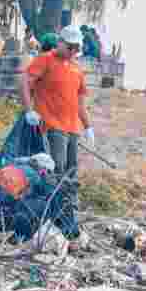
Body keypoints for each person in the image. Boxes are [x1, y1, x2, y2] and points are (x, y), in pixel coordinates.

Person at [22, 25, 95, 180]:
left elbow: (80, 103)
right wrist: (29, 110)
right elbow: (25, 83)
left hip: (73, 128)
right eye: (70, 47)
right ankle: (53, 202)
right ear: (60, 42)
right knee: (57, 169)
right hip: (52, 125)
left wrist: (88, 127)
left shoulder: (77, 69)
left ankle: (68, 202)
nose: (73, 52)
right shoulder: (45, 59)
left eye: (76, 48)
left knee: (71, 171)